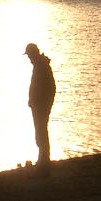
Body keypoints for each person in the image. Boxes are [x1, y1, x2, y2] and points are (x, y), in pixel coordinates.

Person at [24, 42, 56, 170]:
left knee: (41, 131)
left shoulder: (42, 66)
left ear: (33, 54)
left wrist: (45, 104)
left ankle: (44, 160)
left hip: (41, 106)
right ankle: (43, 158)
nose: (29, 59)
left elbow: (51, 88)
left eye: (29, 56)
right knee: (40, 131)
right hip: (38, 105)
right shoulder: (39, 65)